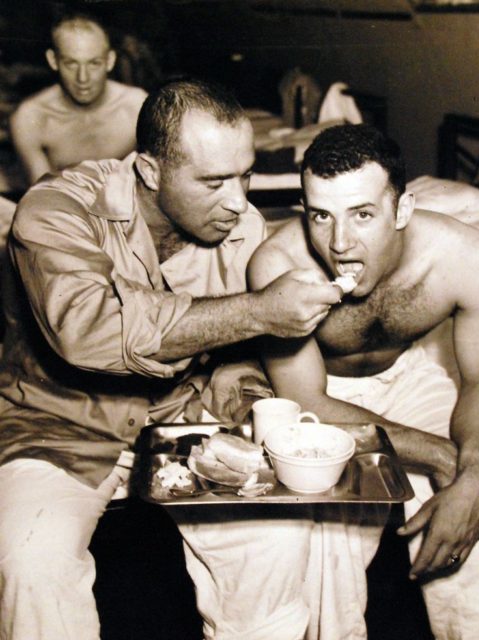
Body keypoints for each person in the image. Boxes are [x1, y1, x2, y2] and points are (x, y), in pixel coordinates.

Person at [0, 79, 340, 640]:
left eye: (245, 174)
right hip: (56, 427)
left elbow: (238, 359)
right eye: (213, 181)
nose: (237, 201)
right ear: (150, 172)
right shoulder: (55, 209)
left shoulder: (242, 228)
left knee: (279, 538)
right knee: (32, 566)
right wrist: (257, 311)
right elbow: (89, 330)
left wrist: (248, 407)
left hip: (184, 424)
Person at [244, 123, 479, 639]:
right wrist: (442, 456)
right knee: (321, 531)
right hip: (327, 396)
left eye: (363, 215)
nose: (339, 243)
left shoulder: (467, 255)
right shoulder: (276, 267)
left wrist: (474, 477)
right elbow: (308, 400)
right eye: (321, 216)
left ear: (403, 210)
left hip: (414, 372)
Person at [9, 12, 148, 186]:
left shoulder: (137, 107)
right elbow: (42, 199)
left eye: (94, 63)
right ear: (53, 60)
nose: (83, 78)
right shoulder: (30, 118)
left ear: (110, 60)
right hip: (61, 209)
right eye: (71, 63)